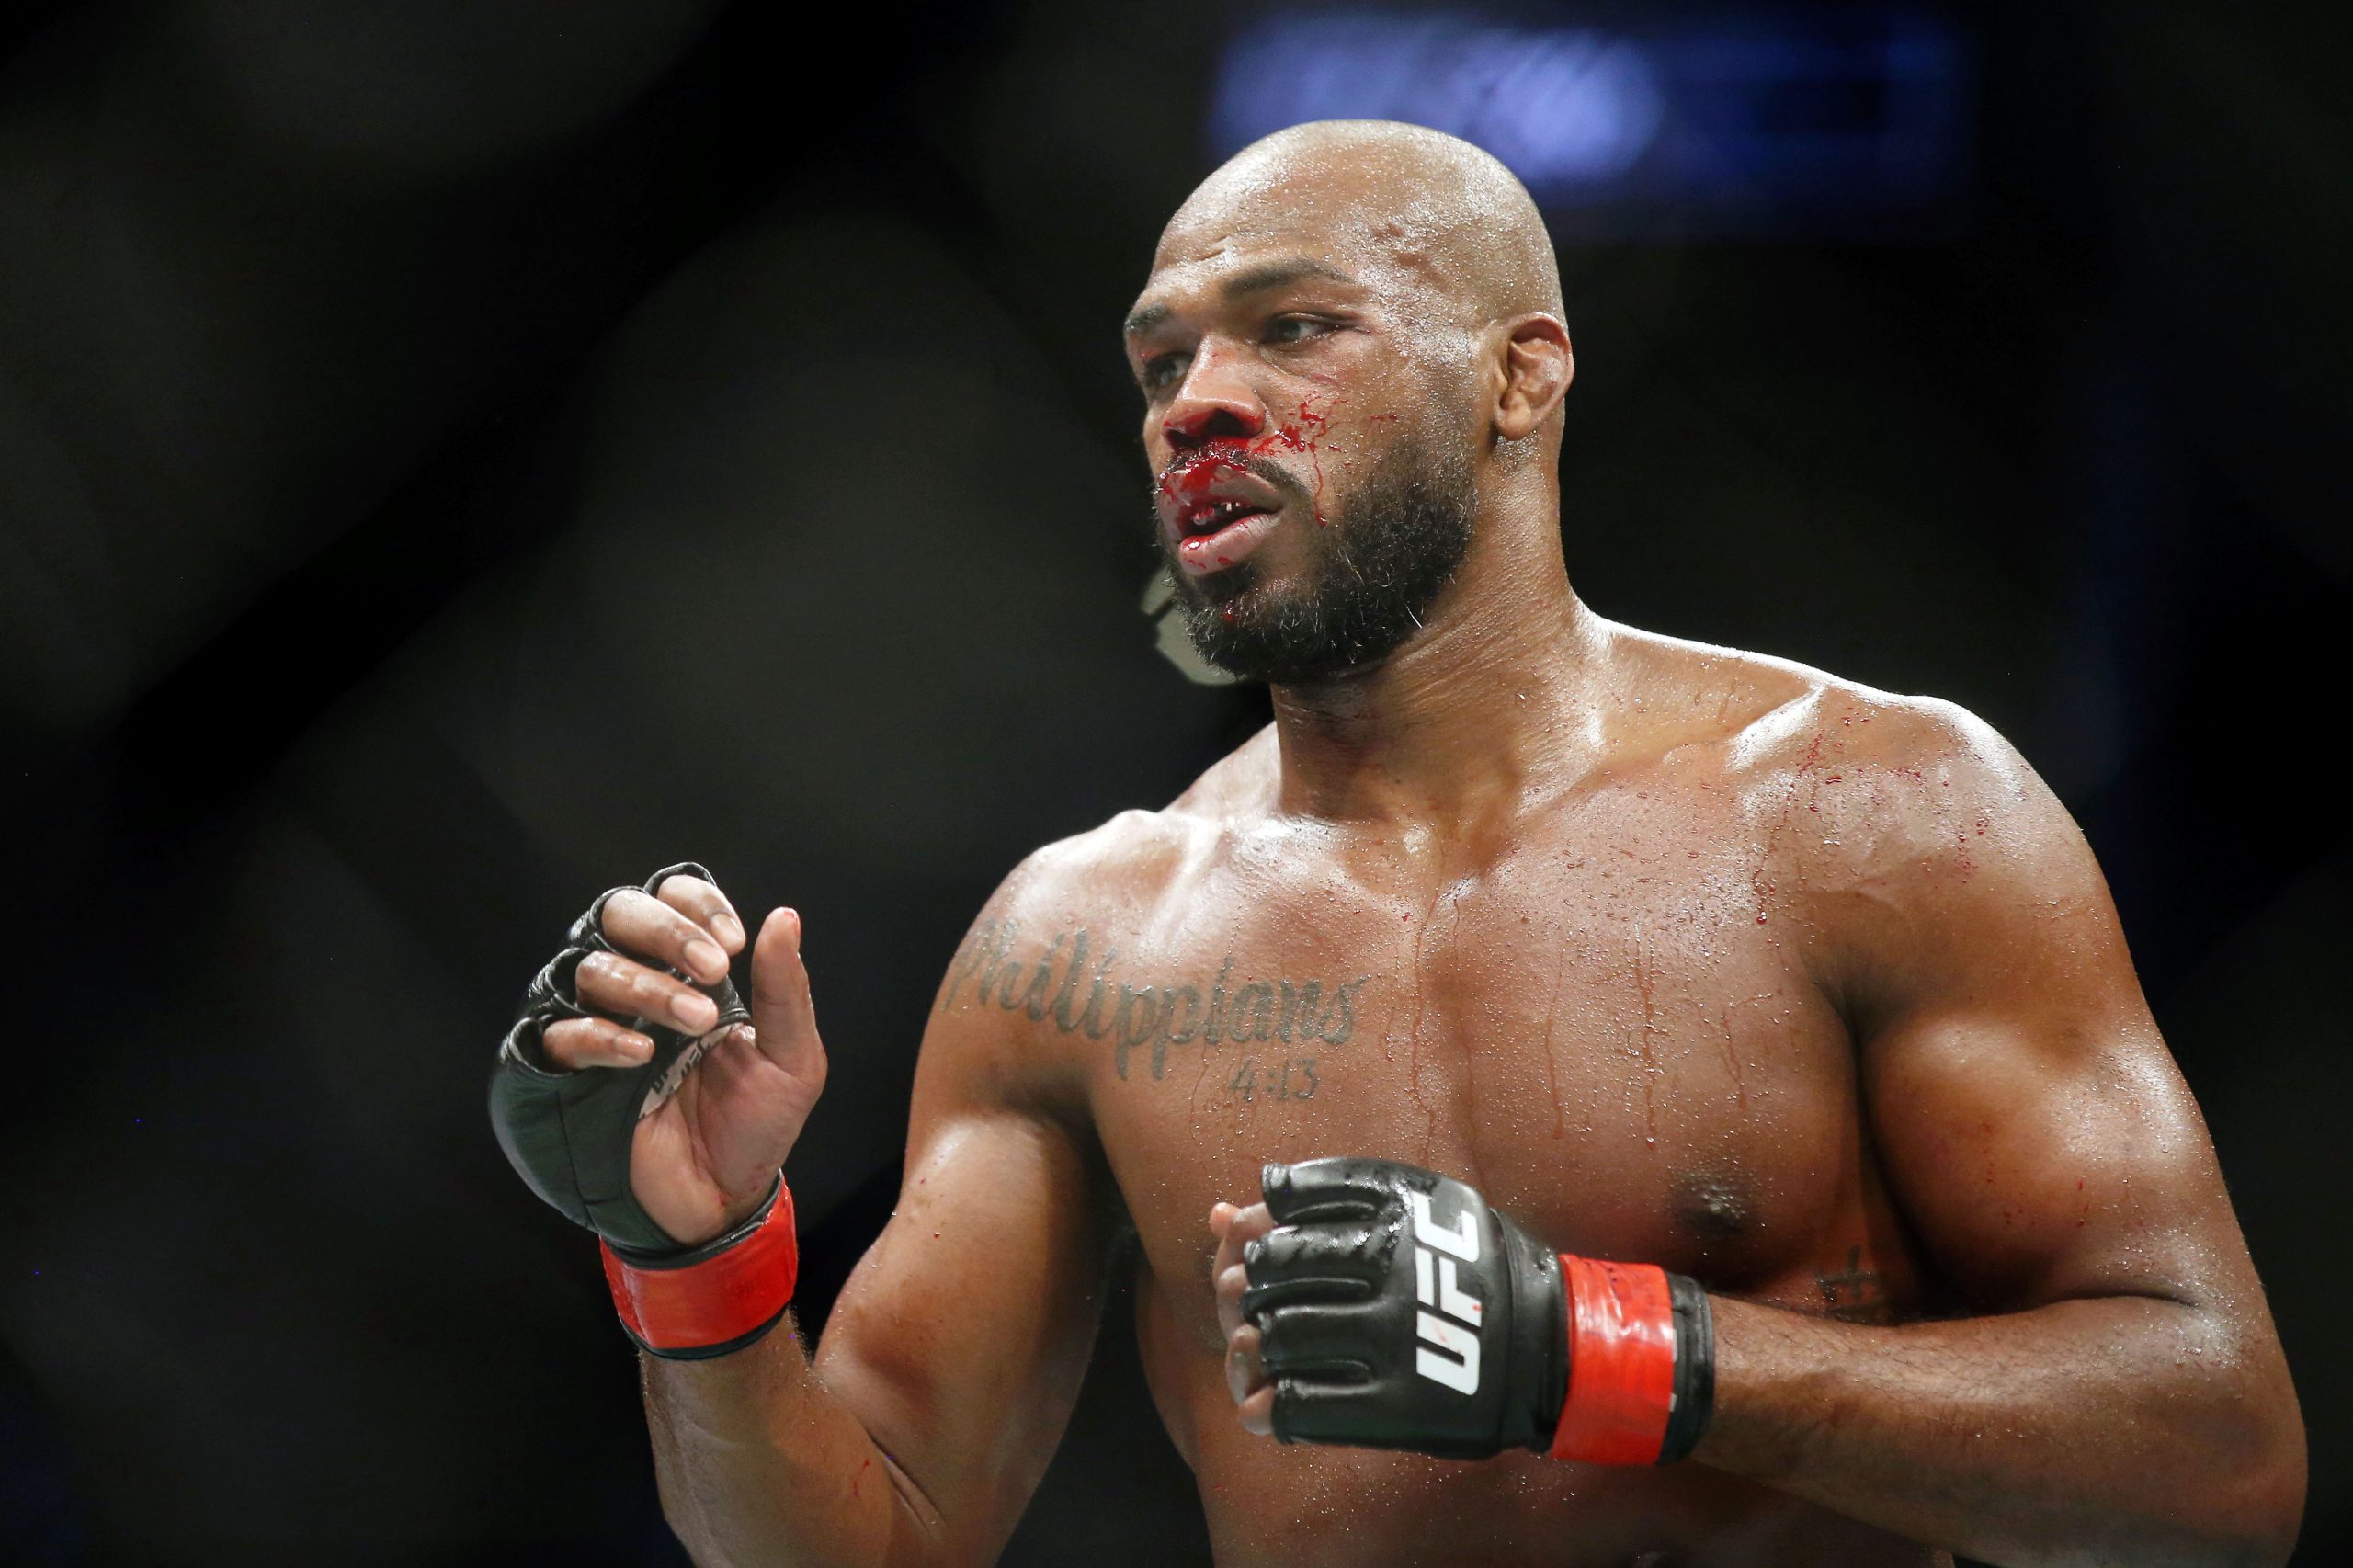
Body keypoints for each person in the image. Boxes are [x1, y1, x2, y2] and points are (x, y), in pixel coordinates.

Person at [489, 120, 2305, 1566]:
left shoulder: (1874, 810)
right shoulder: (1082, 938)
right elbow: (862, 1535)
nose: (1194, 401)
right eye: (1157, 359)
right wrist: (697, 1260)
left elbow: (2215, 1459)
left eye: (1291, 329)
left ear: (1520, 378)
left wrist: (1598, 1354)